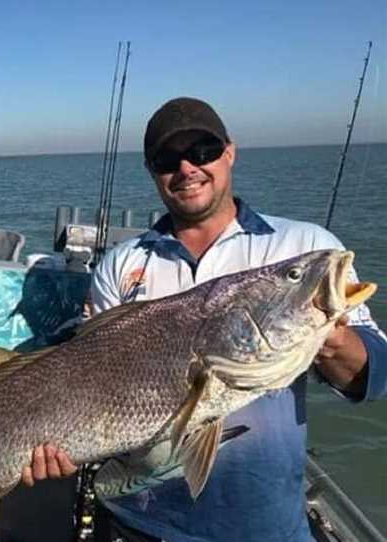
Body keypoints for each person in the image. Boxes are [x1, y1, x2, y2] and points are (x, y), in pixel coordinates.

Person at [22, 97, 387, 541]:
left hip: (264, 527)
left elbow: (376, 377)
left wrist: (333, 342)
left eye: (202, 151)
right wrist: (56, 445)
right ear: (152, 171)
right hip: (136, 519)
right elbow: (89, 378)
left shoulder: (305, 246)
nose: (187, 168)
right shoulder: (122, 263)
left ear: (229, 152)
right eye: (167, 159)